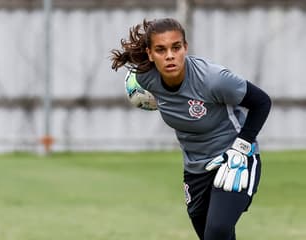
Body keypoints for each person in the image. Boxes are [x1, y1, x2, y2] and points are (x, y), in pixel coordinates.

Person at [110, 18, 271, 240]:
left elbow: (262, 102)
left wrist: (241, 147)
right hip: (195, 169)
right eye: (160, 49)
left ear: (185, 47)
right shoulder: (145, 79)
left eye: (176, 48)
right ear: (149, 53)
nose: (169, 55)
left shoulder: (214, 80)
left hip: (235, 159)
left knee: (218, 231)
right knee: (208, 235)